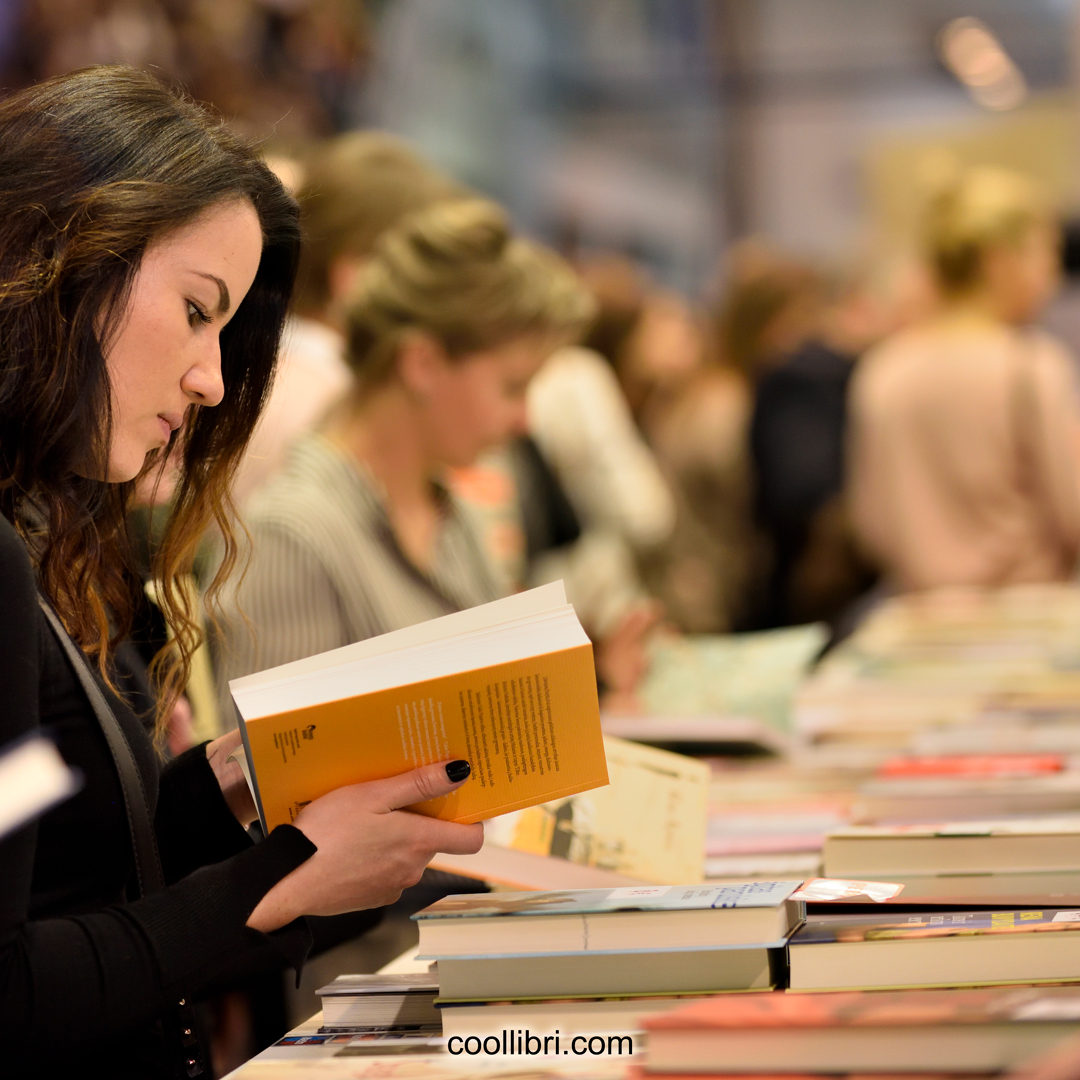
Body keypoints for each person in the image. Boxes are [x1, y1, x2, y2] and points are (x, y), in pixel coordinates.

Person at [0, 66, 482, 1079]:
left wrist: (226, 792)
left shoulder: (52, 531)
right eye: (193, 311)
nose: (212, 380)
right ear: (59, 260)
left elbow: (63, 872)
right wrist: (291, 874)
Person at [220, 198, 592, 678]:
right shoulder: (293, 537)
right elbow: (265, 753)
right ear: (422, 364)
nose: (524, 420)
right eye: (513, 387)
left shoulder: (456, 515)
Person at [848, 166, 1080, 592]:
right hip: (1026, 614)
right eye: (1044, 253)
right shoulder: (1029, 367)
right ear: (999, 261)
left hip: (918, 613)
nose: (1051, 273)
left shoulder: (884, 368)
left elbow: (871, 522)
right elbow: (1071, 511)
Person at [231, 131, 467, 507]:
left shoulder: (269, 365)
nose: (450, 304)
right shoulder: (333, 406)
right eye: (432, 275)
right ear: (356, 275)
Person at [750, 255, 931, 626]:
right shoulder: (805, 379)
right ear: (861, 307)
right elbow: (802, 494)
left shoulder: (863, 377)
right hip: (825, 603)